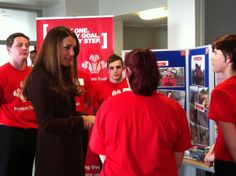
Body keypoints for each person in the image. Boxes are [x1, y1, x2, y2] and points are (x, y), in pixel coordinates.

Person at [89, 48, 192, 176]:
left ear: (127, 72)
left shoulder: (107, 107)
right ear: (156, 72)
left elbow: (103, 155)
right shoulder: (174, 109)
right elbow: (177, 159)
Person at [23, 26, 95, 176]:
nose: (72, 54)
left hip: (70, 149)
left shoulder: (60, 74)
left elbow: (66, 112)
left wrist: (90, 118)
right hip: (55, 155)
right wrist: (81, 120)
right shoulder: (39, 78)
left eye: (74, 48)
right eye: (67, 48)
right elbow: (47, 123)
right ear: (52, 48)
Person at [0, 33, 38, 176]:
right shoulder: (2, 73)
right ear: (9, 49)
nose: (25, 48)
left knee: (26, 170)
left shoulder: (33, 73)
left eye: (27, 45)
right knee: (7, 171)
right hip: (10, 133)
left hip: (32, 131)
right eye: (19, 45)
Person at [207, 34, 236, 175]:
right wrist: (215, 150)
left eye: (215, 52)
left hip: (229, 165)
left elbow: (233, 143)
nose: (212, 57)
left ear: (228, 58)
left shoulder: (221, 92)